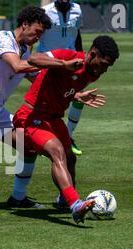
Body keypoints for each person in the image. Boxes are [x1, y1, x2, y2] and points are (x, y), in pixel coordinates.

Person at [0, 6, 83, 207]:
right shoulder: (2, 39)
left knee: (28, 145)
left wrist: (75, 93)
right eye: (37, 32)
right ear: (25, 24)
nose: (37, 38)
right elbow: (17, 66)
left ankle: (18, 197)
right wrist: (61, 64)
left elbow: (37, 79)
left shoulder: (27, 51)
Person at [11, 35, 119, 223]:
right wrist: (63, 64)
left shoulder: (92, 73)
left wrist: (76, 96)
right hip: (31, 117)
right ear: (92, 54)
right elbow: (33, 59)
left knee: (70, 158)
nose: (104, 70)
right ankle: (75, 204)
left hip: (53, 119)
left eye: (108, 66)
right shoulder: (68, 56)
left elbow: (63, 88)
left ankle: (64, 199)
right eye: (103, 64)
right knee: (57, 152)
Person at [37, 0, 84, 157]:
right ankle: (40, 137)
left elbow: (77, 34)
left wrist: (81, 55)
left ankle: (68, 136)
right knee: (46, 100)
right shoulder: (44, 11)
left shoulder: (77, 9)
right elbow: (34, 33)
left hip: (70, 59)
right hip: (48, 59)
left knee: (78, 95)